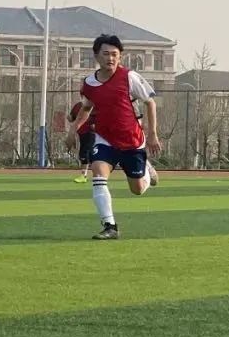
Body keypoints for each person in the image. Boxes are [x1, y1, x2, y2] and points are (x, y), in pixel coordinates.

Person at [64, 34, 161, 240]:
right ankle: (110, 226)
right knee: (98, 175)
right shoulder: (90, 83)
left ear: (120, 56)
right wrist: (73, 130)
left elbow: (150, 102)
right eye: (106, 54)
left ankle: (145, 168)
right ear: (96, 56)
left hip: (132, 140)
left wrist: (152, 135)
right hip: (105, 139)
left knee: (137, 189)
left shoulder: (129, 77)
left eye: (115, 54)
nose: (111, 58)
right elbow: (86, 108)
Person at [68, 100, 96, 183]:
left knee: (84, 153)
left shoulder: (93, 105)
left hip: (91, 132)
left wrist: (95, 124)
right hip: (81, 133)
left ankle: (84, 175)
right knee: (89, 154)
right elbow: (72, 117)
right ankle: (96, 174)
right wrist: (69, 117)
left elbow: (99, 117)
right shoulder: (78, 105)